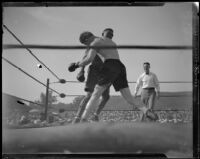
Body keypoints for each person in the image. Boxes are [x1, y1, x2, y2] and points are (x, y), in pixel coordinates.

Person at [69, 30, 157, 122]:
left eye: (85, 44)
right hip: (120, 67)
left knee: (95, 94)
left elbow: (88, 59)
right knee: (128, 97)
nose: (87, 46)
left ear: (87, 39)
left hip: (109, 66)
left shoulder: (95, 43)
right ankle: (146, 111)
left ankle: (83, 119)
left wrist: (76, 65)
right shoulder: (110, 41)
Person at [72, 28, 113, 123]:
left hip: (105, 72)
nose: (86, 46)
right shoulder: (93, 43)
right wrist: (81, 71)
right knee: (89, 95)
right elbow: (85, 57)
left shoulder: (105, 43)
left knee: (106, 97)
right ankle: (77, 118)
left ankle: (95, 115)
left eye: (84, 44)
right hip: (94, 70)